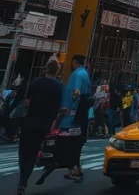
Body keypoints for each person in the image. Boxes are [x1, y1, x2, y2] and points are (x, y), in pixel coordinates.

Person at [16, 58, 62, 195]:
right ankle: (40, 169)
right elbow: (59, 109)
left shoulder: (35, 83)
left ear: (46, 69)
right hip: (46, 123)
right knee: (37, 150)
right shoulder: (59, 87)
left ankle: (23, 179)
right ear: (57, 71)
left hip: (31, 121)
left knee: (25, 152)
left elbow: (27, 103)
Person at [60, 54, 91, 181]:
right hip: (81, 113)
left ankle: (73, 169)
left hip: (73, 114)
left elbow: (76, 93)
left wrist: (70, 111)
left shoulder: (77, 75)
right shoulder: (85, 74)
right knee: (76, 142)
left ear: (74, 62)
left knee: (70, 142)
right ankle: (76, 168)